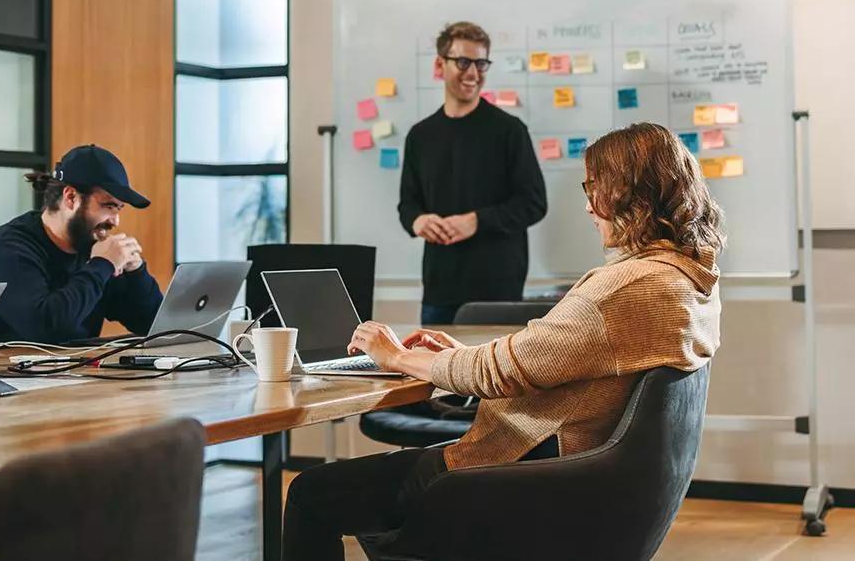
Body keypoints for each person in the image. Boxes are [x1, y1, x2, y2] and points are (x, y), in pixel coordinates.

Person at [284, 122, 725, 560]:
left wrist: (396, 355)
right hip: (569, 478)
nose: (589, 206)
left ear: (631, 193)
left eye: (595, 186)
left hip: (518, 475)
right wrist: (455, 355)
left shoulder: (624, 289)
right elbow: (541, 359)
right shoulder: (686, 278)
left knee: (310, 492)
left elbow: (501, 372)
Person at [399, 21, 547, 324]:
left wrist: (476, 221)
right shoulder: (420, 135)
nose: (473, 73)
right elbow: (408, 204)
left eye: (481, 63)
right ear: (440, 65)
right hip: (439, 288)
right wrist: (418, 220)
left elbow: (533, 203)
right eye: (463, 62)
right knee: (429, 370)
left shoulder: (509, 130)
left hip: (497, 291)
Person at [0, 144, 162, 345]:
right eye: (108, 206)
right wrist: (101, 265)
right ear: (71, 197)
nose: (115, 221)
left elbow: (151, 325)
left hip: (67, 373)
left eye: (119, 209)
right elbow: (46, 329)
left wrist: (137, 273)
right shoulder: (8, 248)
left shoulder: (91, 248)